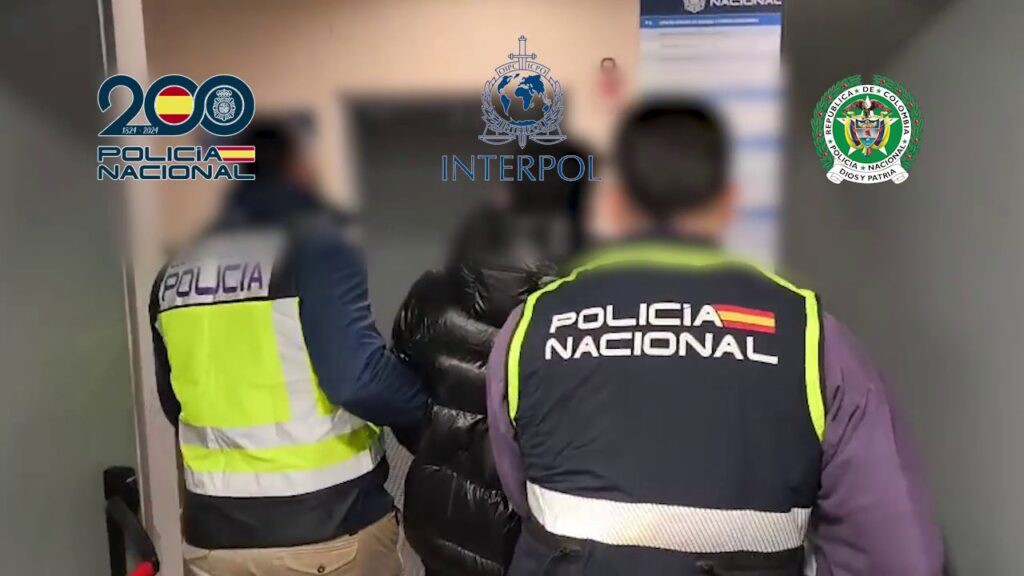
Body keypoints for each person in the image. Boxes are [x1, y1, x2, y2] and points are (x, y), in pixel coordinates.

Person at [486, 103, 945, 575]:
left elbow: (525, 491)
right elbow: (899, 554)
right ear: (728, 203)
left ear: (616, 203)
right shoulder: (813, 336)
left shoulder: (530, 324)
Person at [149, 123, 427, 576]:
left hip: (213, 541)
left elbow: (174, 403)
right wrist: (428, 412)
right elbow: (356, 378)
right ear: (295, 168)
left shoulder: (176, 271)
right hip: (323, 533)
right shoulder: (317, 247)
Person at [391, 145, 590, 576]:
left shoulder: (430, 296)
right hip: (545, 534)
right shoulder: (592, 312)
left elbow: (401, 399)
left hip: (443, 516)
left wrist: (443, 439)